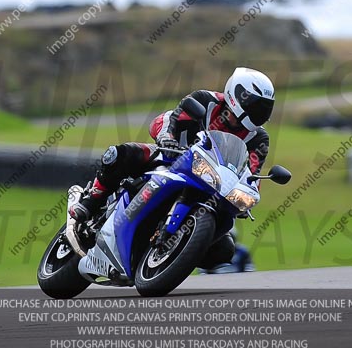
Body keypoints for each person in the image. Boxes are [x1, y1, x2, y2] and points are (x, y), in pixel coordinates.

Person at [69, 67, 275, 268]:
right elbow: (172, 119)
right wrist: (168, 138)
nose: (261, 113)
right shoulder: (207, 100)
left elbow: (252, 174)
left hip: (213, 186)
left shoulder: (259, 138)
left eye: (266, 108)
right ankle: (91, 201)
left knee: (225, 249)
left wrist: (246, 196)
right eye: (258, 106)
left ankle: (176, 254)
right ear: (239, 97)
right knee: (122, 154)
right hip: (174, 159)